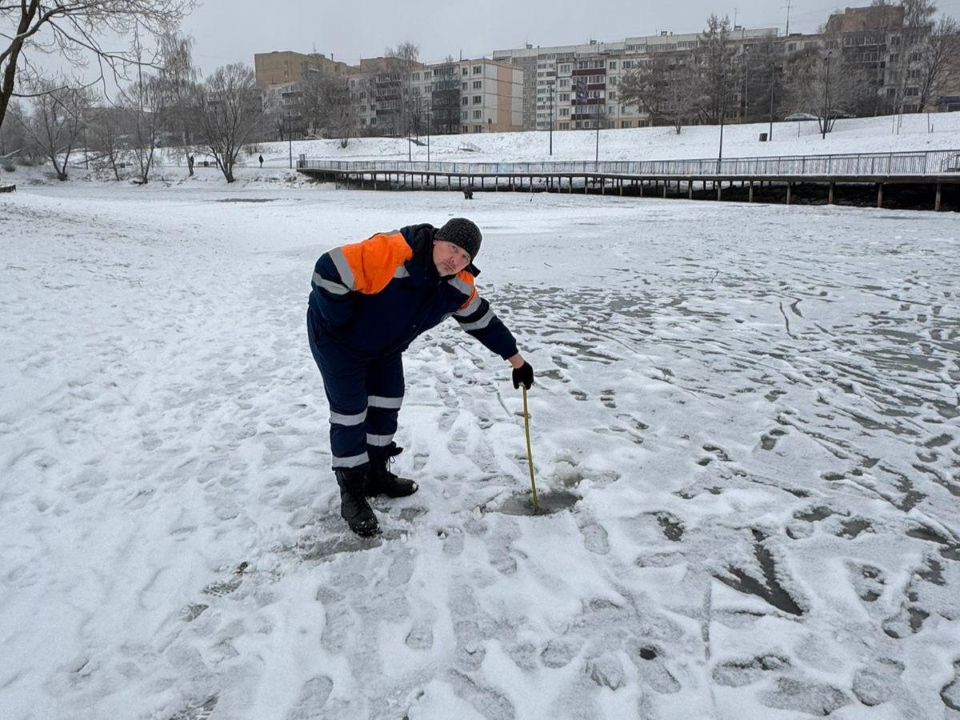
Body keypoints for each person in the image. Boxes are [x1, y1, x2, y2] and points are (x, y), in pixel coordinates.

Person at [307, 218, 534, 536]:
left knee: (387, 402)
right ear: (438, 240)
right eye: (452, 248)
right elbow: (327, 270)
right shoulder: (393, 252)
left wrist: (517, 361)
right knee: (350, 413)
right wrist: (344, 320)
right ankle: (352, 493)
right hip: (337, 340)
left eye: (464, 257)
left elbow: (483, 321)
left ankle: (375, 474)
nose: (455, 259)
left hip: (383, 346)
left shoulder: (458, 285)